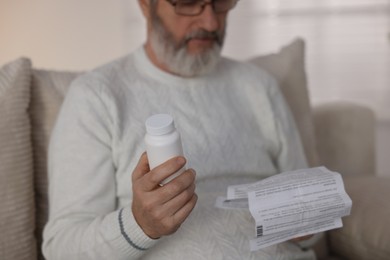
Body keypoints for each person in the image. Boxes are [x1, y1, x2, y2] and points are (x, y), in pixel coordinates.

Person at [43, 0, 317, 259]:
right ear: (144, 5)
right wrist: (139, 225)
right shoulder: (97, 96)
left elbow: (309, 216)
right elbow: (61, 247)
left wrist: (307, 223)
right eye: (187, 3)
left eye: (220, 2)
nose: (211, 23)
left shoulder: (260, 87)